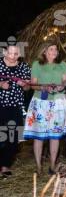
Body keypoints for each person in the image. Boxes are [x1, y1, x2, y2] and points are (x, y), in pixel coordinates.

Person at [23, 42, 66, 175]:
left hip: (58, 102)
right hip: (40, 103)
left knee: (55, 136)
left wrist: (62, 86)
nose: (54, 52)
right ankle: (38, 166)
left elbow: (65, 81)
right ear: (44, 51)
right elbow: (33, 84)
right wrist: (42, 87)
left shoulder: (62, 64)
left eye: (56, 49)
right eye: (51, 49)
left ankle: (52, 165)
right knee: (39, 136)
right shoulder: (37, 64)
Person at [0, 45, 30, 178]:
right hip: (1, 105)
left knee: (13, 137)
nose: (13, 56)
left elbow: (28, 87)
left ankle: (5, 166)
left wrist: (24, 85)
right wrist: (0, 85)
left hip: (16, 106)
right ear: (5, 52)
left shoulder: (23, 67)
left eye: (16, 54)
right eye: (10, 53)